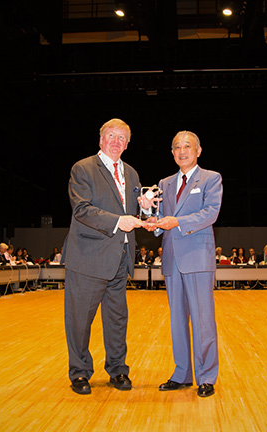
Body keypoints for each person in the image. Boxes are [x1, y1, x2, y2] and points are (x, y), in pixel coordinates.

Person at [62, 118, 148, 395]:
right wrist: (118, 221)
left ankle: (118, 370)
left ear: (127, 144)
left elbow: (135, 214)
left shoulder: (132, 174)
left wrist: (144, 208)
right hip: (88, 257)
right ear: (101, 139)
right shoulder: (83, 168)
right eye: (111, 135)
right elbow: (82, 210)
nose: (116, 141)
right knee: (79, 319)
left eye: (122, 137)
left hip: (120, 257)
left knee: (117, 319)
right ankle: (79, 372)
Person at [144, 130, 222, 398]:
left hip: (198, 258)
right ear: (172, 152)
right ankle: (182, 374)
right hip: (171, 258)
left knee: (203, 320)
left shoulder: (211, 178)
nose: (182, 151)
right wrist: (147, 212)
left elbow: (210, 213)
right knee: (177, 320)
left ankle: (206, 376)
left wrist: (177, 222)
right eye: (176, 147)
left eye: (187, 146)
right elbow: (157, 223)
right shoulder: (164, 183)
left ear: (198, 150)